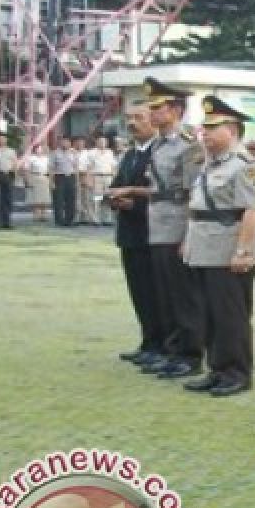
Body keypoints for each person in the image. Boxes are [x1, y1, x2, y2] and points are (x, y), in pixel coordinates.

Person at [180, 97, 255, 398]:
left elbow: (252, 211)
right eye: (204, 127)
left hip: (229, 250)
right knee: (210, 314)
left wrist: (243, 251)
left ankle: (236, 373)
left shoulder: (246, 165)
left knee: (231, 316)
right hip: (204, 248)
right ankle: (216, 368)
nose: (204, 133)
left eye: (212, 128)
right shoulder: (210, 164)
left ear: (231, 130)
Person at [135, 78, 205, 379]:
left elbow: (195, 192)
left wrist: (189, 233)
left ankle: (189, 354)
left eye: (158, 107)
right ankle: (171, 348)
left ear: (176, 110)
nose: (152, 113)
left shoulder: (188, 145)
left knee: (183, 293)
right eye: (151, 108)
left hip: (177, 221)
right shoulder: (160, 144)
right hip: (158, 221)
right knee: (164, 292)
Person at [107, 102, 165, 367]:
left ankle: (162, 345)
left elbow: (165, 194)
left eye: (138, 117)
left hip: (152, 232)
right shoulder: (130, 154)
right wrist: (114, 199)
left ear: (152, 120)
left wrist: (134, 203)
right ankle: (148, 341)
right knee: (139, 292)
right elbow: (117, 185)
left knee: (157, 293)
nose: (132, 123)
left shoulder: (160, 151)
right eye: (129, 118)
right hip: (130, 233)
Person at [49, 137, 78, 227]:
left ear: (70, 143)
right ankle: (59, 220)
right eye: (63, 142)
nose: (65, 143)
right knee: (58, 200)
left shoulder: (74, 153)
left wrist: (77, 181)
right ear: (60, 143)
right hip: (59, 177)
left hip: (71, 177)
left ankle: (69, 220)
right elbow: (51, 168)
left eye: (67, 142)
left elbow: (76, 167)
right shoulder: (55, 153)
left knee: (71, 200)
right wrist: (51, 181)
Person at [89, 136, 118, 226]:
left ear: (106, 143)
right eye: (100, 141)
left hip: (108, 177)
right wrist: (89, 179)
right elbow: (89, 167)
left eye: (104, 142)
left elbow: (113, 166)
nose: (102, 143)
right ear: (96, 142)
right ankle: (95, 219)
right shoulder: (92, 152)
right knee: (96, 199)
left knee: (107, 198)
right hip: (97, 177)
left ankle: (107, 219)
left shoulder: (110, 152)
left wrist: (114, 177)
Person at [22, 144, 52, 222]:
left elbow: (50, 169)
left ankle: (43, 215)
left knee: (45, 198)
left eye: (40, 149)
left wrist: (51, 180)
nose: (39, 150)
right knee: (36, 198)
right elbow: (26, 169)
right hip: (35, 177)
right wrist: (27, 180)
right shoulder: (31, 158)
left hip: (44, 178)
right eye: (37, 149)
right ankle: (36, 215)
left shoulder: (46, 158)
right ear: (34, 150)